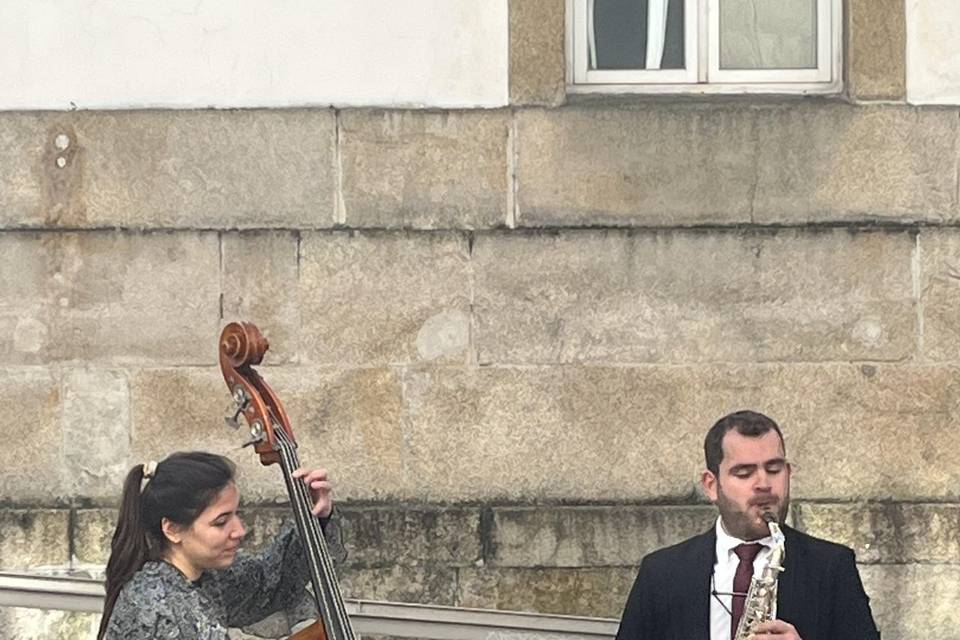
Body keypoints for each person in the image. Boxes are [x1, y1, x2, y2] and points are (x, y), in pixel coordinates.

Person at [615, 410, 880, 640]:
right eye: (744, 473)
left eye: (774, 469)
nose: (763, 483)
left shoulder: (832, 566)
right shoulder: (661, 572)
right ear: (711, 485)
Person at [97, 451, 343, 640]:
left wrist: (315, 515)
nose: (239, 531)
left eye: (237, 515)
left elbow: (271, 580)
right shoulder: (152, 608)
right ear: (172, 529)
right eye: (221, 522)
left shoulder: (207, 577)